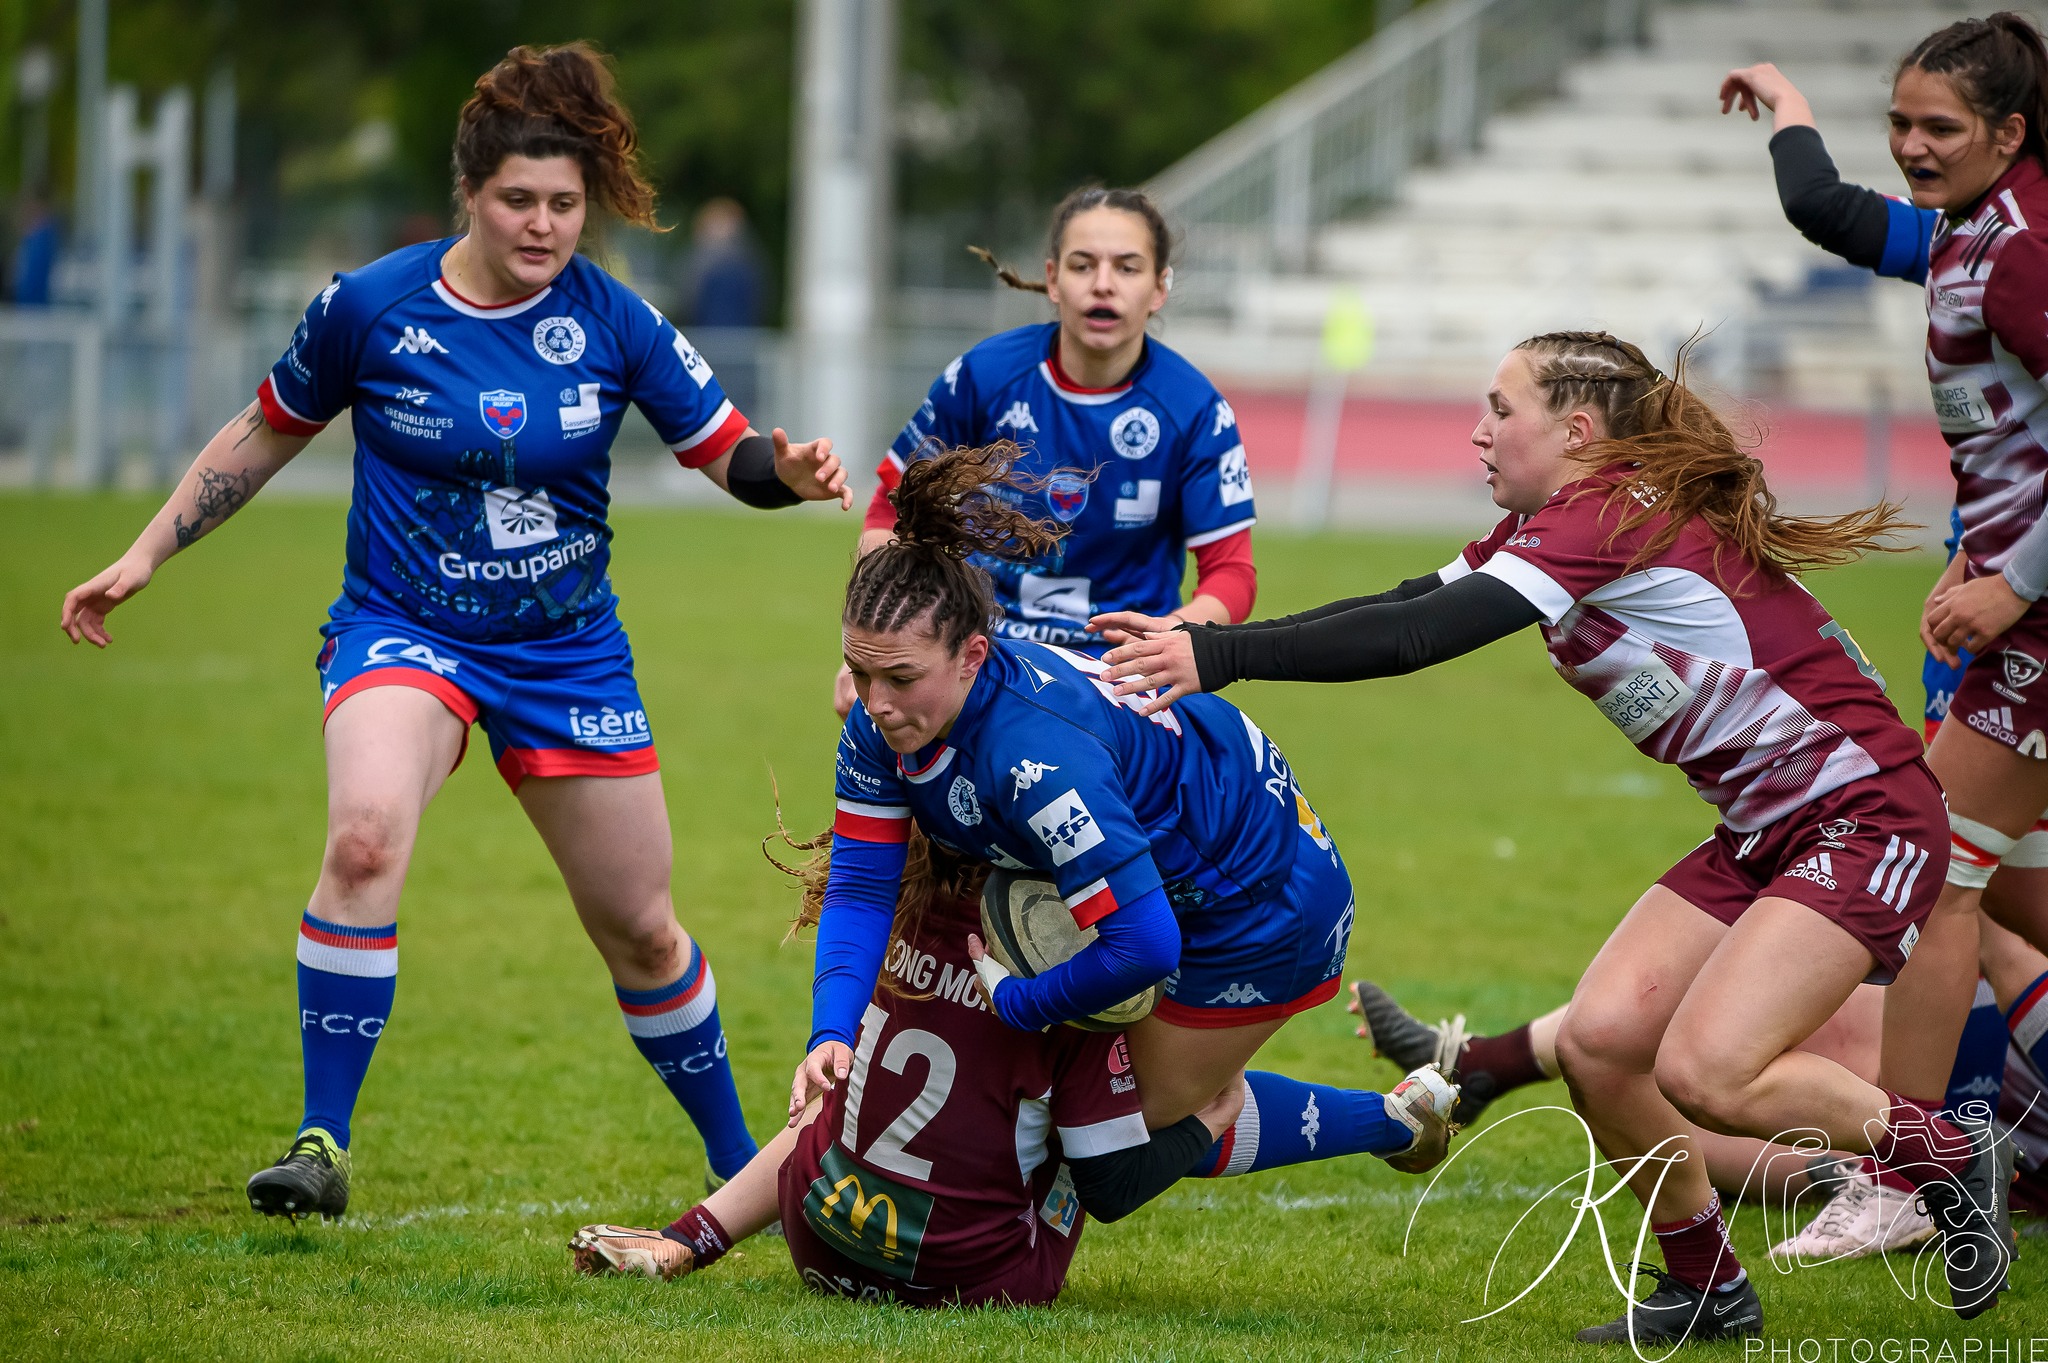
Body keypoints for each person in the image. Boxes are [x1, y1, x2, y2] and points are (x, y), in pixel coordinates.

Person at [57, 42, 852, 1223]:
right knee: (364, 837)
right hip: (403, 627)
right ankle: (321, 1140)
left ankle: (743, 1162)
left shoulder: (614, 318)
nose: (543, 225)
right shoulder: (370, 307)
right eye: (517, 200)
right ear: (467, 194)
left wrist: (783, 473)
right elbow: (263, 431)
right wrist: (148, 550)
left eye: (564, 204)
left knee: (642, 928)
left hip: (565, 650)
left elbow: (728, 452)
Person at [1095, 331, 2015, 1338]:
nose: (1480, 431)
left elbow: (1414, 639)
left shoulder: (1605, 516)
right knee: (1597, 1044)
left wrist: (1219, 656)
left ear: (1576, 431)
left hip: (1861, 814)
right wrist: (1210, 643)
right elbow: (1409, 602)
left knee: (1709, 1071)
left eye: (1501, 409)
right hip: (1770, 827)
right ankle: (1707, 1288)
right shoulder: (1560, 521)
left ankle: (1951, 1153)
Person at [798, 440, 1460, 1206]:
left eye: (901, 676)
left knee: (1116, 1149)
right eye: (860, 670)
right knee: (1080, 1119)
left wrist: (1020, 1002)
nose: (874, 703)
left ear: (974, 655)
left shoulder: (1038, 764)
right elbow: (860, 884)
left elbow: (1145, 945)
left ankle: (1394, 1120)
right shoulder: (886, 725)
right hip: (1170, 848)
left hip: (1262, 890)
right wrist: (832, 1031)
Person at [569, 832, 1247, 1303]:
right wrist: (1207, 1122)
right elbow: (1111, 1186)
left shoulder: (900, 906)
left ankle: (690, 1238)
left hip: (820, 1244)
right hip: (979, 1282)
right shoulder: (1068, 965)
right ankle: (1324, 1119)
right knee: (1143, 1101)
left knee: (836, 1100)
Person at [831, 186, 1258, 717]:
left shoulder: (1194, 408)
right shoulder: (985, 376)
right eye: (1083, 265)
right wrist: (878, 639)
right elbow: (888, 511)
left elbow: (1231, 572)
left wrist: (1171, 636)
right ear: (1053, 279)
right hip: (981, 659)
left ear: (1159, 288)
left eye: (1127, 268)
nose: (1103, 284)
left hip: (1119, 678)